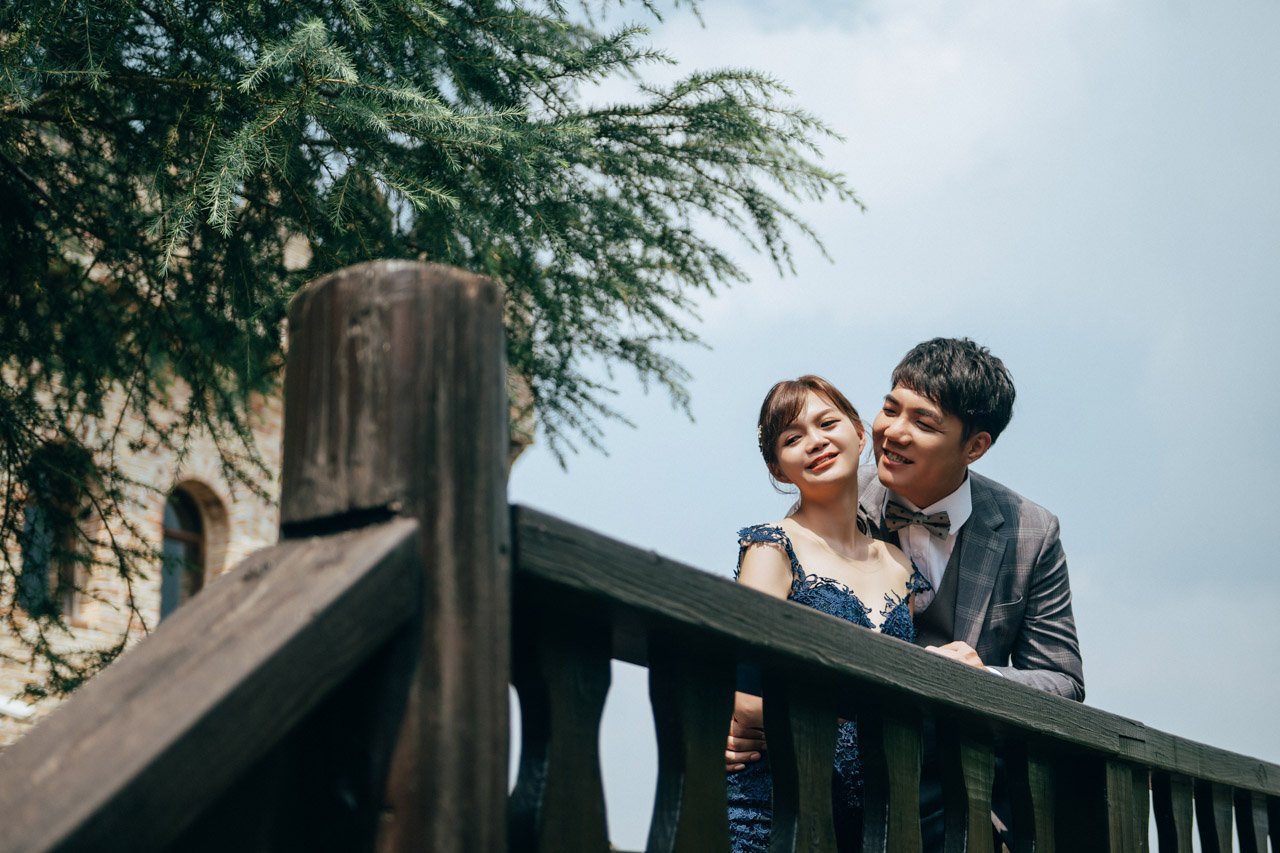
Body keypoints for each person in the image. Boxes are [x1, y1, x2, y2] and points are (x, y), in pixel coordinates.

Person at [726, 338, 1085, 846]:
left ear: (975, 446)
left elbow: (1063, 680)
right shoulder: (833, 484)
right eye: (890, 408)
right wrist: (741, 712)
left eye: (924, 422)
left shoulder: (1032, 532)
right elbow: (767, 656)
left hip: (963, 791)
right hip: (840, 790)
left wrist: (984, 679)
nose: (894, 432)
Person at [726, 375, 930, 853]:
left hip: (872, 820)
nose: (815, 441)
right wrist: (868, 708)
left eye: (827, 423)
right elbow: (746, 700)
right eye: (792, 438)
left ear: (859, 433)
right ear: (779, 470)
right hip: (776, 807)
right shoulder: (771, 548)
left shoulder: (900, 565)